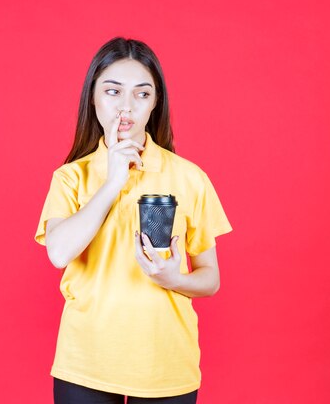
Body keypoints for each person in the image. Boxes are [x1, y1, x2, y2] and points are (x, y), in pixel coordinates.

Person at [35, 37, 232, 403]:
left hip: (165, 363)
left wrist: (174, 279)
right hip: (86, 363)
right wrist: (112, 181)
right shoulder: (71, 177)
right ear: (92, 97)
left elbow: (211, 278)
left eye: (142, 94)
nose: (126, 107)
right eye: (113, 91)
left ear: (155, 104)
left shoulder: (190, 178)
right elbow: (59, 253)